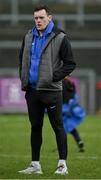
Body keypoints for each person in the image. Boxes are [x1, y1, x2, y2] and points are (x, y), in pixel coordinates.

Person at [18, 5, 76, 175]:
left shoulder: (60, 37)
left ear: (49, 18)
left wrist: (53, 76)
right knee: (35, 127)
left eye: (41, 18)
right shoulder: (28, 36)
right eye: (35, 18)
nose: (38, 21)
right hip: (32, 91)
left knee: (58, 127)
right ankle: (35, 165)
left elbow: (70, 64)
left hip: (51, 92)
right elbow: (21, 59)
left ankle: (62, 165)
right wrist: (24, 78)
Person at [62, 77, 86, 152]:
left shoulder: (61, 83)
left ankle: (61, 146)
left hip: (63, 108)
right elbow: (74, 96)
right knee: (71, 127)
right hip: (71, 107)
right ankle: (79, 141)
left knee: (62, 129)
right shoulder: (70, 83)